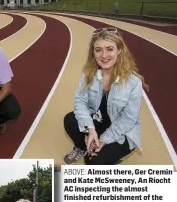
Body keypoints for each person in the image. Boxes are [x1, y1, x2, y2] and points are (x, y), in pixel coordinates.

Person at [63, 27, 148, 165]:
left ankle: (105, 155)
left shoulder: (133, 82)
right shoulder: (88, 74)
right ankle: (84, 147)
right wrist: (90, 129)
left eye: (109, 49)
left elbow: (129, 119)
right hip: (97, 123)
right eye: (98, 50)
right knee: (70, 120)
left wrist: (103, 139)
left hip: (121, 131)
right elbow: (80, 101)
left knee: (93, 163)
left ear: (119, 50)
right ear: (93, 52)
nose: (104, 55)